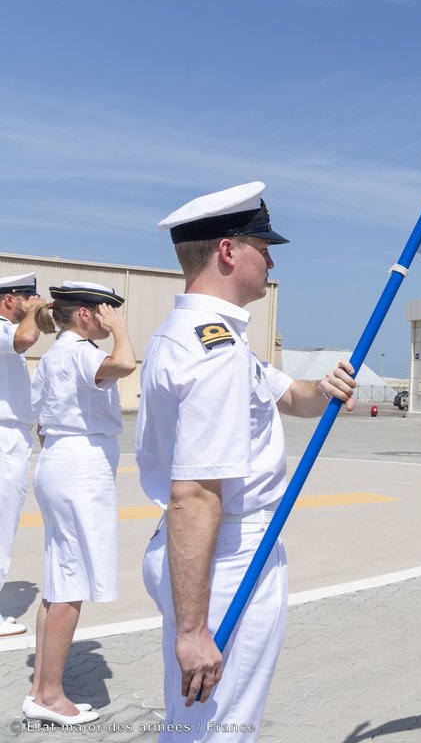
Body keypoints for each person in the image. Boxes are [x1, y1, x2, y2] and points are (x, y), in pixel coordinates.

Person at [136, 182, 357, 741]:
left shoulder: (214, 339)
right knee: (216, 730)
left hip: (219, 552)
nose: (272, 258)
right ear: (229, 252)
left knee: (199, 724)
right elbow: (195, 494)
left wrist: (324, 386)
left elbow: (289, 396)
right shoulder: (212, 353)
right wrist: (193, 629)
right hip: (225, 558)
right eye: (263, 245)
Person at [24, 282, 135, 726]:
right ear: (87, 315)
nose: (111, 318)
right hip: (79, 468)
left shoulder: (55, 355)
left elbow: (42, 426)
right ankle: (50, 695)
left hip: (59, 461)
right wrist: (122, 331)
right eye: (106, 311)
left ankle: (41, 690)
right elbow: (124, 363)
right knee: (71, 582)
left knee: (60, 577)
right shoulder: (80, 351)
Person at [0, 272, 45, 638]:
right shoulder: (4, 331)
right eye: (26, 297)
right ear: (9, 299)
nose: (32, 302)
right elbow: (26, 336)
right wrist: (34, 312)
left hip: (12, 435)